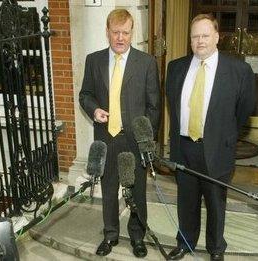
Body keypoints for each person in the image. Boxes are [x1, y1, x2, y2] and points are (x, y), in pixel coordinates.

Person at [165, 13, 256, 261]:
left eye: (205, 35)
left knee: (216, 203)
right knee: (186, 201)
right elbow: (172, 106)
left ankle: (216, 250)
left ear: (217, 37)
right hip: (184, 147)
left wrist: (224, 135)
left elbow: (245, 110)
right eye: (195, 36)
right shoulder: (175, 68)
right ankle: (185, 243)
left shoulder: (239, 70)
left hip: (216, 149)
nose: (200, 41)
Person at [79, 9, 160, 258]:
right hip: (106, 137)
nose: (121, 38)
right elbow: (85, 95)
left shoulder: (146, 62)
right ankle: (110, 234)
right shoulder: (93, 60)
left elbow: (153, 106)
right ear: (108, 32)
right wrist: (94, 111)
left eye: (125, 32)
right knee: (109, 188)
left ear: (131, 32)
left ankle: (137, 236)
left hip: (134, 140)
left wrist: (147, 141)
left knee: (136, 191)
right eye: (116, 32)